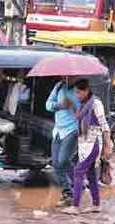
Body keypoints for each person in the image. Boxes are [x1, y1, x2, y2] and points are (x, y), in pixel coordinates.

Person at [61, 79, 112, 215]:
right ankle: (96, 204)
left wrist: (108, 145)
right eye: (76, 92)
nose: (77, 95)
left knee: (78, 172)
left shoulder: (96, 103)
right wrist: (71, 105)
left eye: (79, 92)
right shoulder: (84, 104)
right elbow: (79, 117)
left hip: (93, 143)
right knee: (90, 175)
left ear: (86, 90)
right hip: (85, 143)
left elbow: (104, 125)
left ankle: (75, 206)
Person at [46, 77, 80, 207]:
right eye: (64, 75)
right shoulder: (59, 86)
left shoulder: (80, 90)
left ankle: (68, 193)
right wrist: (59, 105)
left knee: (63, 161)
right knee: (56, 163)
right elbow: (48, 105)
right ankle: (77, 182)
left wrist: (72, 106)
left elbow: (83, 113)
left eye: (70, 76)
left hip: (72, 130)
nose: (66, 78)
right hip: (58, 131)